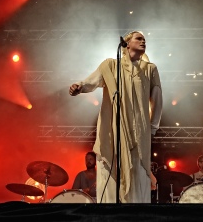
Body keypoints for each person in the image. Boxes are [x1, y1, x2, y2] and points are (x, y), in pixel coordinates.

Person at [69, 30, 163, 203]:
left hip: (139, 132)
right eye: (139, 39)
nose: (143, 41)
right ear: (127, 44)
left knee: (138, 172)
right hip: (113, 128)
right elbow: (93, 80)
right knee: (110, 169)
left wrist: (152, 127)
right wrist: (80, 87)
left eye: (145, 39)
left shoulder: (150, 69)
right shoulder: (111, 66)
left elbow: (157, 100)